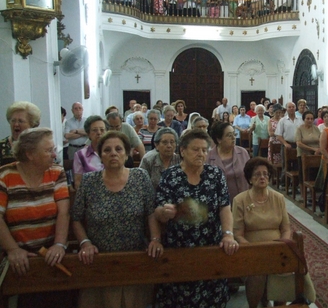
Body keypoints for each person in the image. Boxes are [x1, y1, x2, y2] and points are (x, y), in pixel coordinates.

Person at [72, 131, 163, 308]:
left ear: (127, 153)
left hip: (134, 259)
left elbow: (151, 212)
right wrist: (85, 243)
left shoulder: (139, 177)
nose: (113, 153)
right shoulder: (89, 181)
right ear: (100, 155)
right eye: (107, 150)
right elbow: (76, 218)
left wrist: (155, 239)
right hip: (99, 261)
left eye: (118, 149)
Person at [154, 129, 239, 308]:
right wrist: (165, 212)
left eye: (204, 150)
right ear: (182, 151)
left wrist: (228, 234)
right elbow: (159, 213)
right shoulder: (171, 176)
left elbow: (224, 207)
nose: (201, 154)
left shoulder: (215, 175)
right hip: (179, 249)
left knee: (211, 297)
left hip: (210, 246)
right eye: (195, 149)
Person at [0, 128, 70, 307]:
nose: (54, 155)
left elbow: (64, 212)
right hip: (16, 253)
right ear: (30, 154)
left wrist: (59, 244)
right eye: (48, 150)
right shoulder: (6, 176)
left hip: (49, 251)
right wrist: (13, 249)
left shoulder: (56, 173)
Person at [232, 157, 291, 308]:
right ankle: (257, 304)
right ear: (250, 179)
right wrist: (254, 250)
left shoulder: (278, 198)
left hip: (276, 250)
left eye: (265, 174)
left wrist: (283, 245)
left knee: (284, 269)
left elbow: (285, 228)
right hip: (251, 252)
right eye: (257, 174)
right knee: (257, 273)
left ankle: (280, 305)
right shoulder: (240, 200)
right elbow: (237, 234)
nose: (262, 177)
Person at [207, 122, 250, 201]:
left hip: (243, 202)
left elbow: (250, 177)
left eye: (234, 134)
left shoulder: (243, 153)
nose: (233, 138)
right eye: (229, 135)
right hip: (219, 204)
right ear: (219, 139)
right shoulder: (208, 157)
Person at [0, 101, 41, 166]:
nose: (16, 124)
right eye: (13, 120)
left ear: (32, 124)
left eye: (20, 121)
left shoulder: (40, 146)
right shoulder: (1, 146)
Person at [73, 115, 107, 189]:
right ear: (88, 134)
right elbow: (78, 182)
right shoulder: (80, 155)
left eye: (102, 130)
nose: (99, 133)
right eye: (95, 130)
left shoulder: (114, 153)